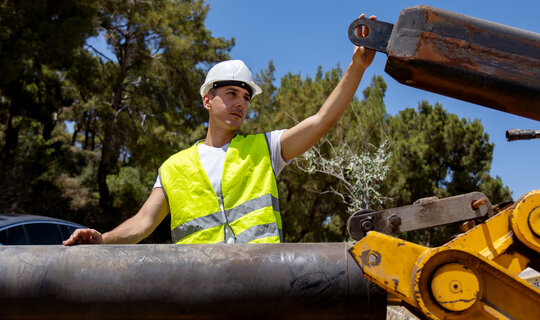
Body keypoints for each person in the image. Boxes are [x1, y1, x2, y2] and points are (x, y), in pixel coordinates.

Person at [63, 14, 377, 246]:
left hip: (264, 284)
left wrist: (357, 67)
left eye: (245, 97)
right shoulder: (174, 168)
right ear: (207, 100)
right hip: (200, 291)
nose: (240, 103)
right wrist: (103, 239)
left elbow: (322, 121)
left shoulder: (265, 149)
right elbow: (143, 222)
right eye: (231, 94)